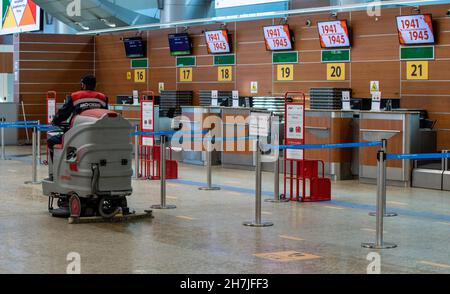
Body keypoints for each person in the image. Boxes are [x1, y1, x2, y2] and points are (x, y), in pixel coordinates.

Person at [47, 74, 108, 167]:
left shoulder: (75, 96)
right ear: (95, 85)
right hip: (97, 136)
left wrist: (55, 121)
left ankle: (57, 170)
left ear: (83, 85)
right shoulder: (103, 98)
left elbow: (63, 113)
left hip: (77, 135)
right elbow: (105, 115)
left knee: (52, 141)